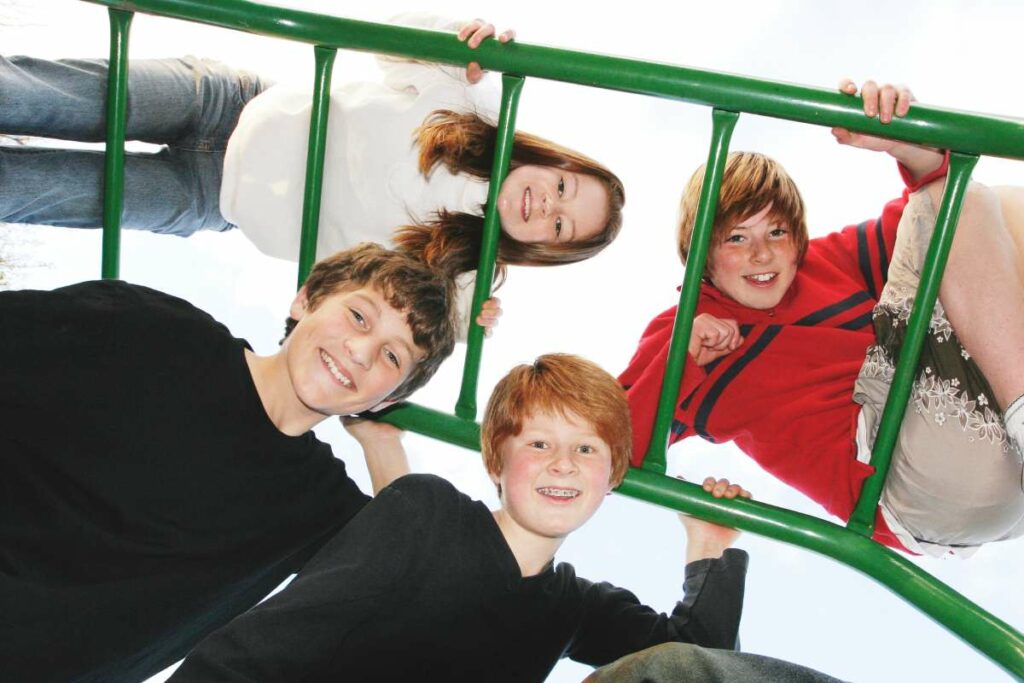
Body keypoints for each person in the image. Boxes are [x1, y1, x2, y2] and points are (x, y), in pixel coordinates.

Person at [168, 354, 837, 682]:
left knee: (671, 670)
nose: (563, 464)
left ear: (612, 479)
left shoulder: (569, 603)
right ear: (497, 458)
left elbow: (700, 659)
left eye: (586, 449)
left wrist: (709, 547)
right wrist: (384, 448)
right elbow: (281, 634)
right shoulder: (427, 512)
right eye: (539, 443)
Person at [0, 242, 456, 683]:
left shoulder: (317, 508)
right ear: (306, 299)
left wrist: (381, 446)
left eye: (392, 356)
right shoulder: (159, 329)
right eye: (359, 316)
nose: (361, 350)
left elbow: (417, 589)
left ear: (388, 398)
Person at [0, 16, 625, 334]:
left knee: (38, 191)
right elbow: (390, 45)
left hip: (212, 200)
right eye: (564, 187)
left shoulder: (466, 263)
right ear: (554, 161)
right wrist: (460, 40)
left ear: (546, 248)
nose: (546, 205)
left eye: (561, 226)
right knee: (40, 95)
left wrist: (471, 319)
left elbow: (427, 322)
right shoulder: (475, 110)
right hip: (229, 102)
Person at [621, 78, 1024, 557]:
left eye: (776, 231)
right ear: (701, 254)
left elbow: (942, 215)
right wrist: (682, 356)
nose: (761, 254)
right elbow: (609, 444)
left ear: (798, 238)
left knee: (999, 204)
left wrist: (897, 141)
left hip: (986, 449)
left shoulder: (825, 264)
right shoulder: (685, 328)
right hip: (904, 477)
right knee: (966, 201)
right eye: (736, 239)